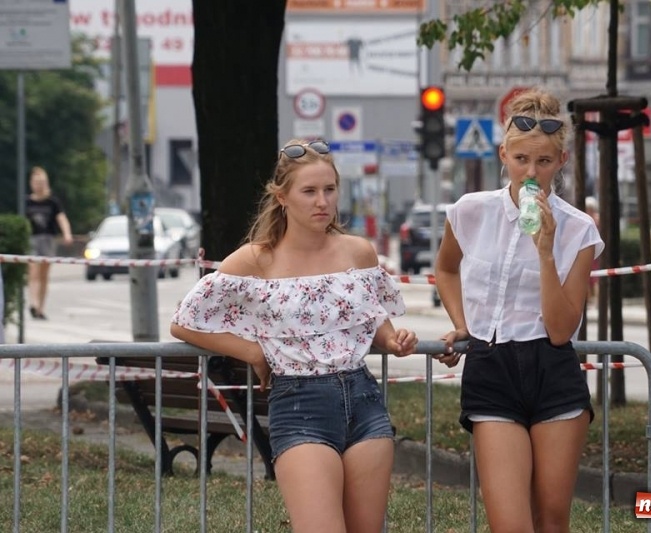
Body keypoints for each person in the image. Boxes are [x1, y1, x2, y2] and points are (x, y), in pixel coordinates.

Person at [170, 138, 418, 533]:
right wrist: (252, 351)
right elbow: (186, 321)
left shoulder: (358, 252)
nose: (322, 201)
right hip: (300, 406)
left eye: (329, 190)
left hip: (364, 399)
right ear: (282, 197)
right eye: (309, 191)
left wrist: (393, 340)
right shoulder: (257, 258)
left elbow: (374, 320)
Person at [434, 87, 604, 532]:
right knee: (510, 523)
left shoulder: (579, 229)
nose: (532, 172)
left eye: (544, 162)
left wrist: (545, 251)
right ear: (503, 155)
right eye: (522, 159)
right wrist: (463, 325)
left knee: (551, 520)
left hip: (552, 369)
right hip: (492, 367)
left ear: (561, 163)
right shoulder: (470, 211)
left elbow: (563, 329)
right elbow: (446, 270)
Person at [25, 166, 73, 320]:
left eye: (41, 182)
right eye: (36, 182)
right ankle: (33, 303)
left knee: (44, 275)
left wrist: (67, 234)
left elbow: (61, 218)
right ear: (31, 183)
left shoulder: (53, 201)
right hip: (32, 239)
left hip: (48, 239)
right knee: (33, 272)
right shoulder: (27, 202)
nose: (38, 185)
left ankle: (40, 307)